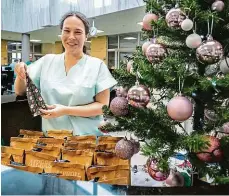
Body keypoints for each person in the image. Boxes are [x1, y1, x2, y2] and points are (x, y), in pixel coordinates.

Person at [14, 11, 117, 136]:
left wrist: (65, 110)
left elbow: (102, 106)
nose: (71, 37)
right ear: (61, 33)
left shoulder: (97, 66)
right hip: (53, 139)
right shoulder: (46, 62)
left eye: (78, 32)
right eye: (67, 31)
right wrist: (20, 75)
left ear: (86, 36)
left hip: (87, 139)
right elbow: (20, 91)